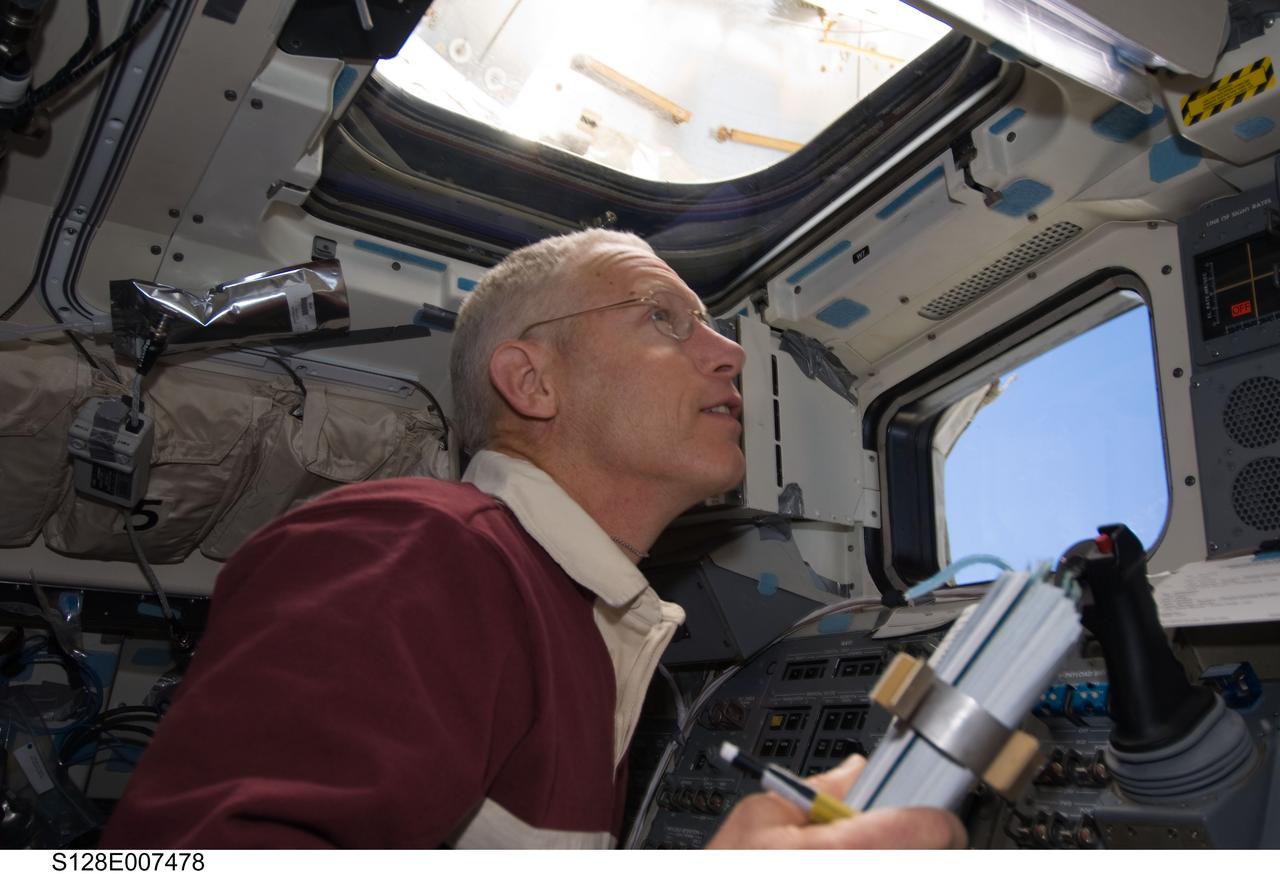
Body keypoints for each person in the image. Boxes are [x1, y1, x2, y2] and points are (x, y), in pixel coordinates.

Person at [101, 229, 964, 849]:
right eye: (663, 317)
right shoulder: (419, 547)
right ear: (531, 381)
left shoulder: (589, 622)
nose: (729, 354)